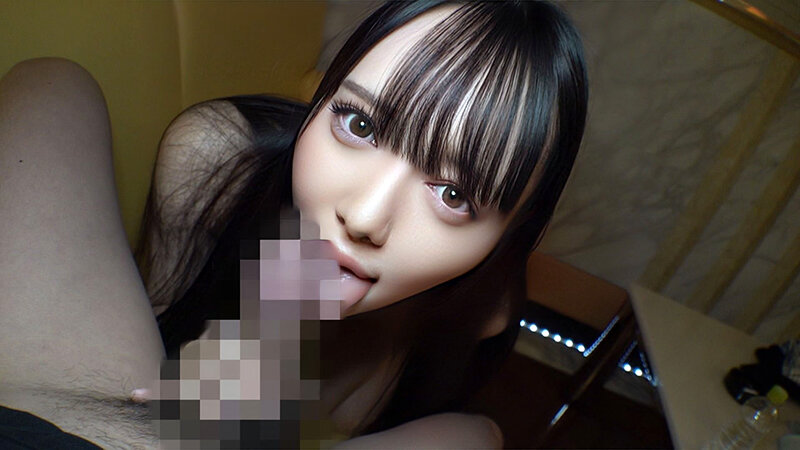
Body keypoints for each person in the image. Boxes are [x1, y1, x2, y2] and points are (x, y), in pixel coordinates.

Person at [0, 0, 587, 448]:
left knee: (479, 435)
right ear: (322, 97)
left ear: (514, 234)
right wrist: (253, 338)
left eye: (453, 194)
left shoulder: (482, 308)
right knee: (54, 83)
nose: (364, 216)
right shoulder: (216, 160)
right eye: (359, 124)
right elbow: (159, 349)